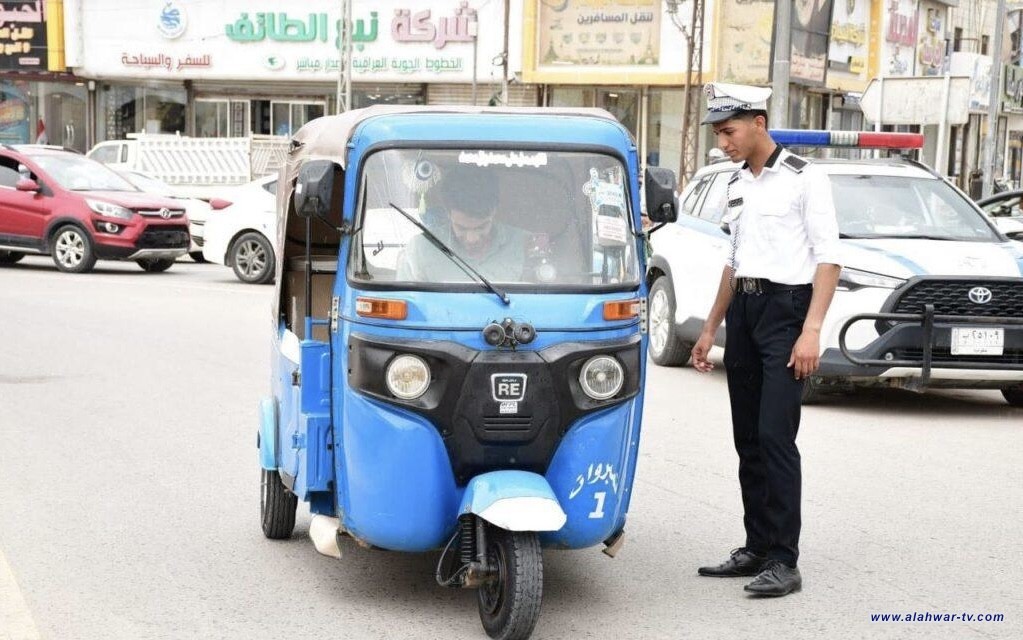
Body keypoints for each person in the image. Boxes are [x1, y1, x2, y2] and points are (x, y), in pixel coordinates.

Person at [691, 82, 842, 597]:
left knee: (777, 437)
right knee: (747, 438)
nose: (723, 142)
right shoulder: (736, 184)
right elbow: (734, 261)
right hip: (748, 313)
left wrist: (812, 329)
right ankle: (756, 546)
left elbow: (828, 258)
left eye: (729, 131)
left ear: (758, 122)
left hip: (787, 313)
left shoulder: (805, 179)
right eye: (718, 133)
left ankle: (784, 559)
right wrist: (711, 327)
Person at [396, 166, 528, 283]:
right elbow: (408, 301)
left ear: (494, 211)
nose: (472, 238)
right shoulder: (420, 250)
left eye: (481, 227)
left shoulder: (526, 245)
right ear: (448, 213)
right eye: (461, 227)